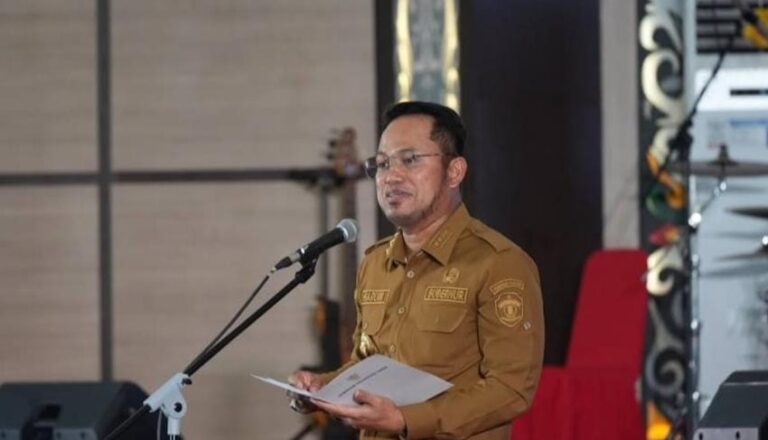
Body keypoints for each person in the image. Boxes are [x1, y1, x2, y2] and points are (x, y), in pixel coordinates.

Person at [289, 101, 544, 439]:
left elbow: (511, 388)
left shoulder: (499, 262)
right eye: (382, 163)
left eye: (410, 160)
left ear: (454, 172)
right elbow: (366, 365)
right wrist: (323, 387)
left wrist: (407, 419)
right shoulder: (375, 263)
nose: (391, 176)